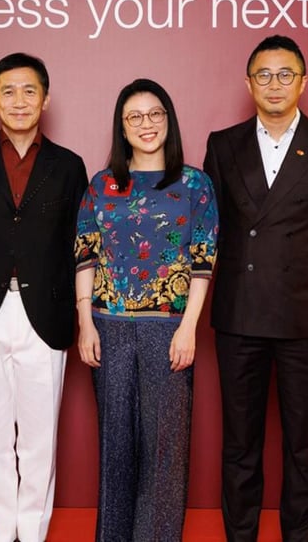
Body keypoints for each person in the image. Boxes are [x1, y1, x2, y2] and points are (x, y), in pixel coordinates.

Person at [204, 35, 308, 542]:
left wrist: (303, 272)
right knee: (240, 444)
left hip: (304, 316)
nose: (275, 84)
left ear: (303, 82)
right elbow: (214, 229)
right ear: (248, 83)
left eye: (285, 74)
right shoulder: (222, 144)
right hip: (239, 316)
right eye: (264, 75)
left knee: (303, 444)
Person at [0, 52, 87, 542]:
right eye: (8, 91)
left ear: (45, 99)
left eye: (30, 91)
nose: (19, 100)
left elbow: (77, 243)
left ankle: (34, 532)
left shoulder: (69, 167)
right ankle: (0, 531)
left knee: (39, 438)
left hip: (45, 313)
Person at [74, 79, 218, 542]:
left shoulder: (194, 183)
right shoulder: (102, 185)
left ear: (169, 120)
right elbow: (85, 255)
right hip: (108, 326)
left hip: (169, 328)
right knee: (116, 447)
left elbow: (203, 260)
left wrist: (189, 328)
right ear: (122, 126)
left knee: (164, 450)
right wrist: (84, 323)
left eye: (155, 114)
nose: (146, 124)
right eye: (134, 117)